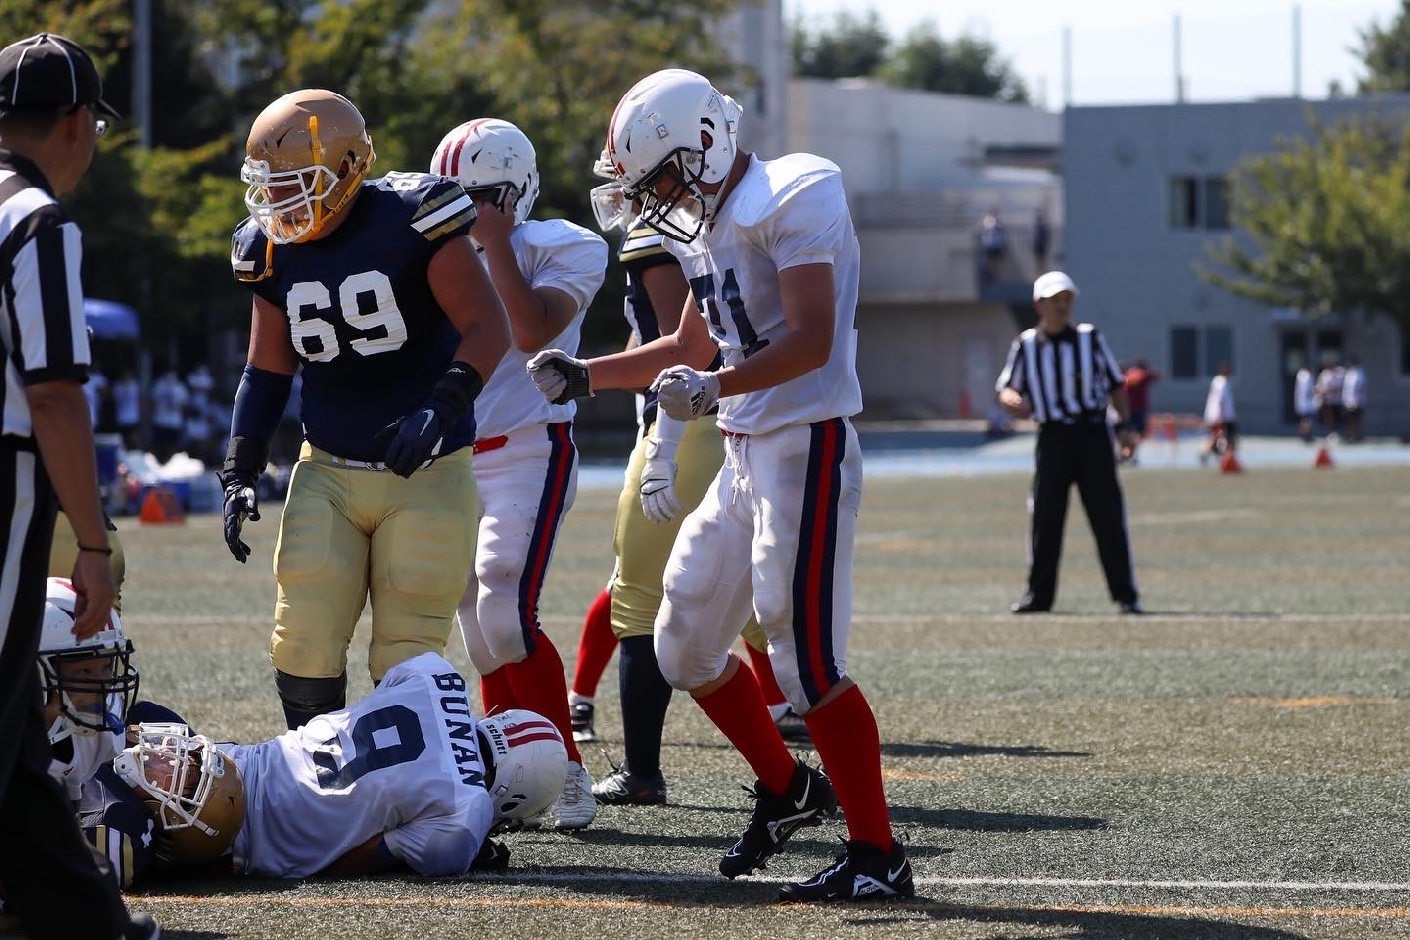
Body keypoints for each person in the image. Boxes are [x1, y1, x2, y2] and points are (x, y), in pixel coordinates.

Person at [528, 68, 912, 902]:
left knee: (806, 663)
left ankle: (879, 854)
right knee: (683, 644)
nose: (656, 198)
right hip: (744, 453)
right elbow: (686, 349)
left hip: (803, 446)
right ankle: (786, 791)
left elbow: (809, 341)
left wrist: (712, 391)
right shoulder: (708, 225)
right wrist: (585, 373)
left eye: (658, 177)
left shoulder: (793, 194)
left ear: (703, 145)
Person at [219, 89, 510, 733]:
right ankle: (316, 790)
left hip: (426, 472)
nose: (282, 202)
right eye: (273, 185)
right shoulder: (268, 249)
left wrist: (438, 410)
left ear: (348, 167)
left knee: (408, 654)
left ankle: (409, 797)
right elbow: (266, 370)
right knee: (303, 639)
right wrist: (239, 468)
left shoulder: (412, 218)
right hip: (325, 468)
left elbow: (487, 327)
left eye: (297, 184)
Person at [569, 147, 809, 809]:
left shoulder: (672, 230)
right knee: (748, 605)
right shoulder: (723, 218)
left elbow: (684, 348)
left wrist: (589, 377)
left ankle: (647, 771)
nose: (626, 191)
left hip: (692, 422)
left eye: (634, 175)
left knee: (640, 605)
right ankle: (794, 748)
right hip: (727, 420)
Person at [0, 31, 157, 940]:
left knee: (11, 711)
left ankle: (71, 910)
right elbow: (54, 393)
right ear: (71, 124)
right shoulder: (37, 220)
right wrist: (92, 543)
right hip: (6, 480)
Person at [428, 117, 606, 829]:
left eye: (478, 201)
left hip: (531, 444)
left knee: (504, 604)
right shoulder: (430, 254)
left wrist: (495, 244)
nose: (463, 216)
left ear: (512, 194)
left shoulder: (564, 245)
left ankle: (565, 767)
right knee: (475, 625)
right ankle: (511, 769)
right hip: (457, 453)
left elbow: (533, 330)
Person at [106, 653, 566, 881]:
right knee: (121, 848)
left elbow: (383, 696)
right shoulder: (465, 814)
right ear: (516, 796)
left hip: (229, 760)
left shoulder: (437, 673)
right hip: (230, 832)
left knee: (142, 716)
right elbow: (364, 857)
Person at [996, 271, 1142, 616]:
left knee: (1107, 516)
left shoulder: (1090, 338)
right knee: (1045, 518)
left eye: (1067, 299)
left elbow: (1115, 385)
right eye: (1055, 300)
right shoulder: (1026, 345)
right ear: (1039, 304)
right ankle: (1039, 595)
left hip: (1091, 434)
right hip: (1052, 438)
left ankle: (1125, 594)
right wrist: (1012, 399)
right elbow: (1006, 387)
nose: (1062, 306)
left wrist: (1124, 426)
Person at [1121, 359, 1160, 462]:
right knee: (1136, 433)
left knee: (1127, 431)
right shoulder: (1142, 374)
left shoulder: (1128, 373)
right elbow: (1156, 376)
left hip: (1125, 408)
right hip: (1139, 409)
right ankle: (1130, 454)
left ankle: (1126, 452)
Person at [148, 362, 187, 462]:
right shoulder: (159, 384)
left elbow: (183, 406)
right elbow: (153, 402)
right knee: (158, 446)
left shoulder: (180, 386)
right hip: (160, 420)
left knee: (172, 447)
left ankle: (171, 464)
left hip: (174, 422)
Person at [1200, 361, 1236, 463]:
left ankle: (1212, 454)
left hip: (1216, 415)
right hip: (1221, 416)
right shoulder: (1221, 382)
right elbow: (1220, 399)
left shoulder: (1217, 381)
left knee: (1217, 436)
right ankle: (1223, 457)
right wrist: (1221, 415)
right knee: (1222, 437)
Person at [111, 366, 141, 449]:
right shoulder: (117, 387)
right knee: (122, 443)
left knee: (134, 440)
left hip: (133, 418)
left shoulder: (135, 386)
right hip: (121, 418)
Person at [1316, 355, 1344, 438]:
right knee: (1328, 418)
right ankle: (1330, 433)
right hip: (1327, 400)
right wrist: (1322, 391)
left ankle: (1338, 434)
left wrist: (1327, 390)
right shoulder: (1324, 374)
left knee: (1338, 419)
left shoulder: (1340, 372)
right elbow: (1319, 387)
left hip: (1337, 401)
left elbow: (1338, 387)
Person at [1342, 354, 1365, 442]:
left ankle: (1357, 435)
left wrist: (1357, 400)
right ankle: (1351, 434)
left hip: (1356, 401)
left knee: (1356, 419)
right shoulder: (1349, 373)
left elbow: (1360, 387)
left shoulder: (1359, 372)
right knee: (1349, 419)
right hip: (1348, 401)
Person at [1294, 358, 1317, 442]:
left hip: (1302, 401)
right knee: (1306, 420)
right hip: (1306, 402)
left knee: (1304, 419)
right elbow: (1308, 390)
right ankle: (1306, 434)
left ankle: (1304, 434)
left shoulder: (1301, 375)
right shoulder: (1306, 376)